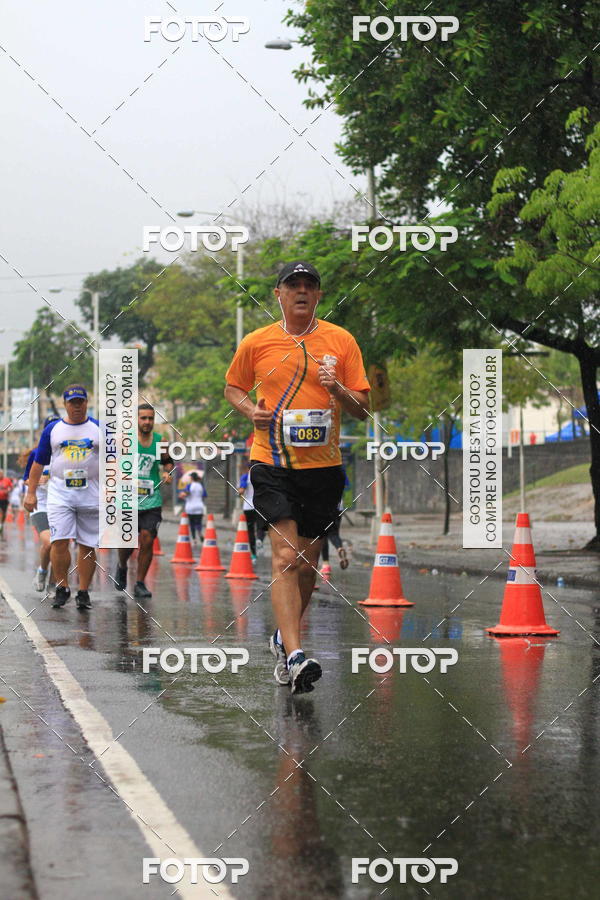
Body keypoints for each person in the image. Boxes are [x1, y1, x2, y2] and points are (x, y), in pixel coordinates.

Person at [224, 261, 370, 694]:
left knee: (308, 563)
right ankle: (294, 654)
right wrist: (251, 411)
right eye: (294, 285)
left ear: (318, 296)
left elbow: (364, 406)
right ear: (279, 295)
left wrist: (338, 389)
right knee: (286, 558)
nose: (302, 291)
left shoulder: (340, 340)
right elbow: (232, 387)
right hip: (271, 463)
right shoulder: (258, 342)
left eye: (310, 285)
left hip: (323, 468)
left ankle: (281, 638)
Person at [24, 386, 100, 611]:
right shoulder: (53, 429)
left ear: (87, 403)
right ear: (65, 404)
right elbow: (38, 463)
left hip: (90, 495)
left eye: (81, 402)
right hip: (60, 495)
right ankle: (62, 587)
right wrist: (30, 493)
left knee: (87, 544)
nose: (77, 406)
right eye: (72, 402)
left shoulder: (99, 428)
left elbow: (112, 462)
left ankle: (84, 592)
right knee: (58, 542)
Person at [115, 403, 174, 598]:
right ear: (136, 419)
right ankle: (122, 566)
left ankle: (140, 583)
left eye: (150, 418)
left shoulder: (160, 442)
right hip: (127, 500)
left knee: (148, 540)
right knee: (127, 543)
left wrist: (167, 473)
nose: (147, 422)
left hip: (151, 500)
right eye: (143, 418)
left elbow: (168, 462)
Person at [22, 414, 61, 594]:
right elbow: (26, 480)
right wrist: (37, 480)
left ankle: (54, 583)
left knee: (60, 546)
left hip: (61, 505)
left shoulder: (66, 452)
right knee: (49, 543)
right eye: (50, 429)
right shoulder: (37, 454)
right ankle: (42, 572)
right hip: (41, 506)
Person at [238, 458, 258, 561]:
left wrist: (239, 493)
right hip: (259, 507)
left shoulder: (245, 477)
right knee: (260, 527)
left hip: (248, 507)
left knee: (250, 531)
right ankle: (260, 540)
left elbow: (241, 490)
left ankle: (254, 554)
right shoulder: (259, 477)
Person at [183, 470, 206, 544]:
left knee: (192, 523)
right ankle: (199, 532)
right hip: (199, 506)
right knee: (198, 522)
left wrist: (183, 495)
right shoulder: (201, 486)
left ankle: (194, 539)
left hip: (190, 507)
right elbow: (204, 495)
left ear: (192, 478)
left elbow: (186, 493)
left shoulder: (189, 486)